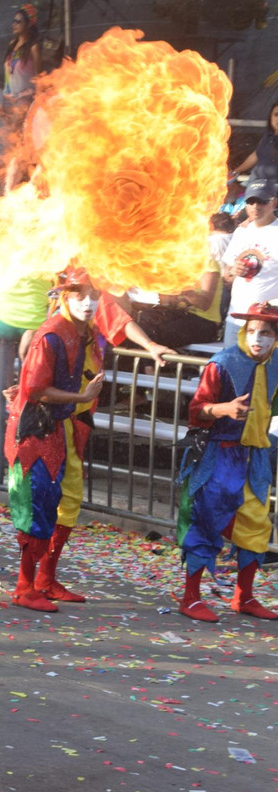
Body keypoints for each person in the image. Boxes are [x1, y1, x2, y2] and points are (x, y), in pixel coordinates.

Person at [3, 266, 168, 611]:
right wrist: (80, 397)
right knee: (37, 505)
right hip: (39, 429)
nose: (89, 301)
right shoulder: (51, 334)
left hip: (71, 426)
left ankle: (45, 579)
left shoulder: (87, 321)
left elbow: (121, 321)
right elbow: (35, 390)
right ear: (63, 295)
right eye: (80, 294)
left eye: (93, 294)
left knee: (68, 502)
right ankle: (23, 586)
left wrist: (151, 345)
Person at [176, 301, 278, 623]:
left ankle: (244, 597)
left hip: (255, 458)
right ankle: (190, 598)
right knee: (203, 522)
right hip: (218, 455)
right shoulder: (222, 363)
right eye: (251, 331)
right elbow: (195, 411)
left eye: (265, 332)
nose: (257, 338)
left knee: (257, 526)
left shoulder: (277, 365)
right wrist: (223, 409)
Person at [221, 179, 278, 345]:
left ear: (274, 202)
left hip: (269, 322)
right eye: (251, 201)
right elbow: (226, 277)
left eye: (261, 201)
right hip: (236, 318)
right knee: (233, 369)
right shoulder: (241, 232)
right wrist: (233, 271)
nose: (255, 206)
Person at [231, 102, 278, 185]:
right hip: (256, 184)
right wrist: (235, 171)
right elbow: (255, 155)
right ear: (270, 117)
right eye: (276, 115)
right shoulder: (267, 137)